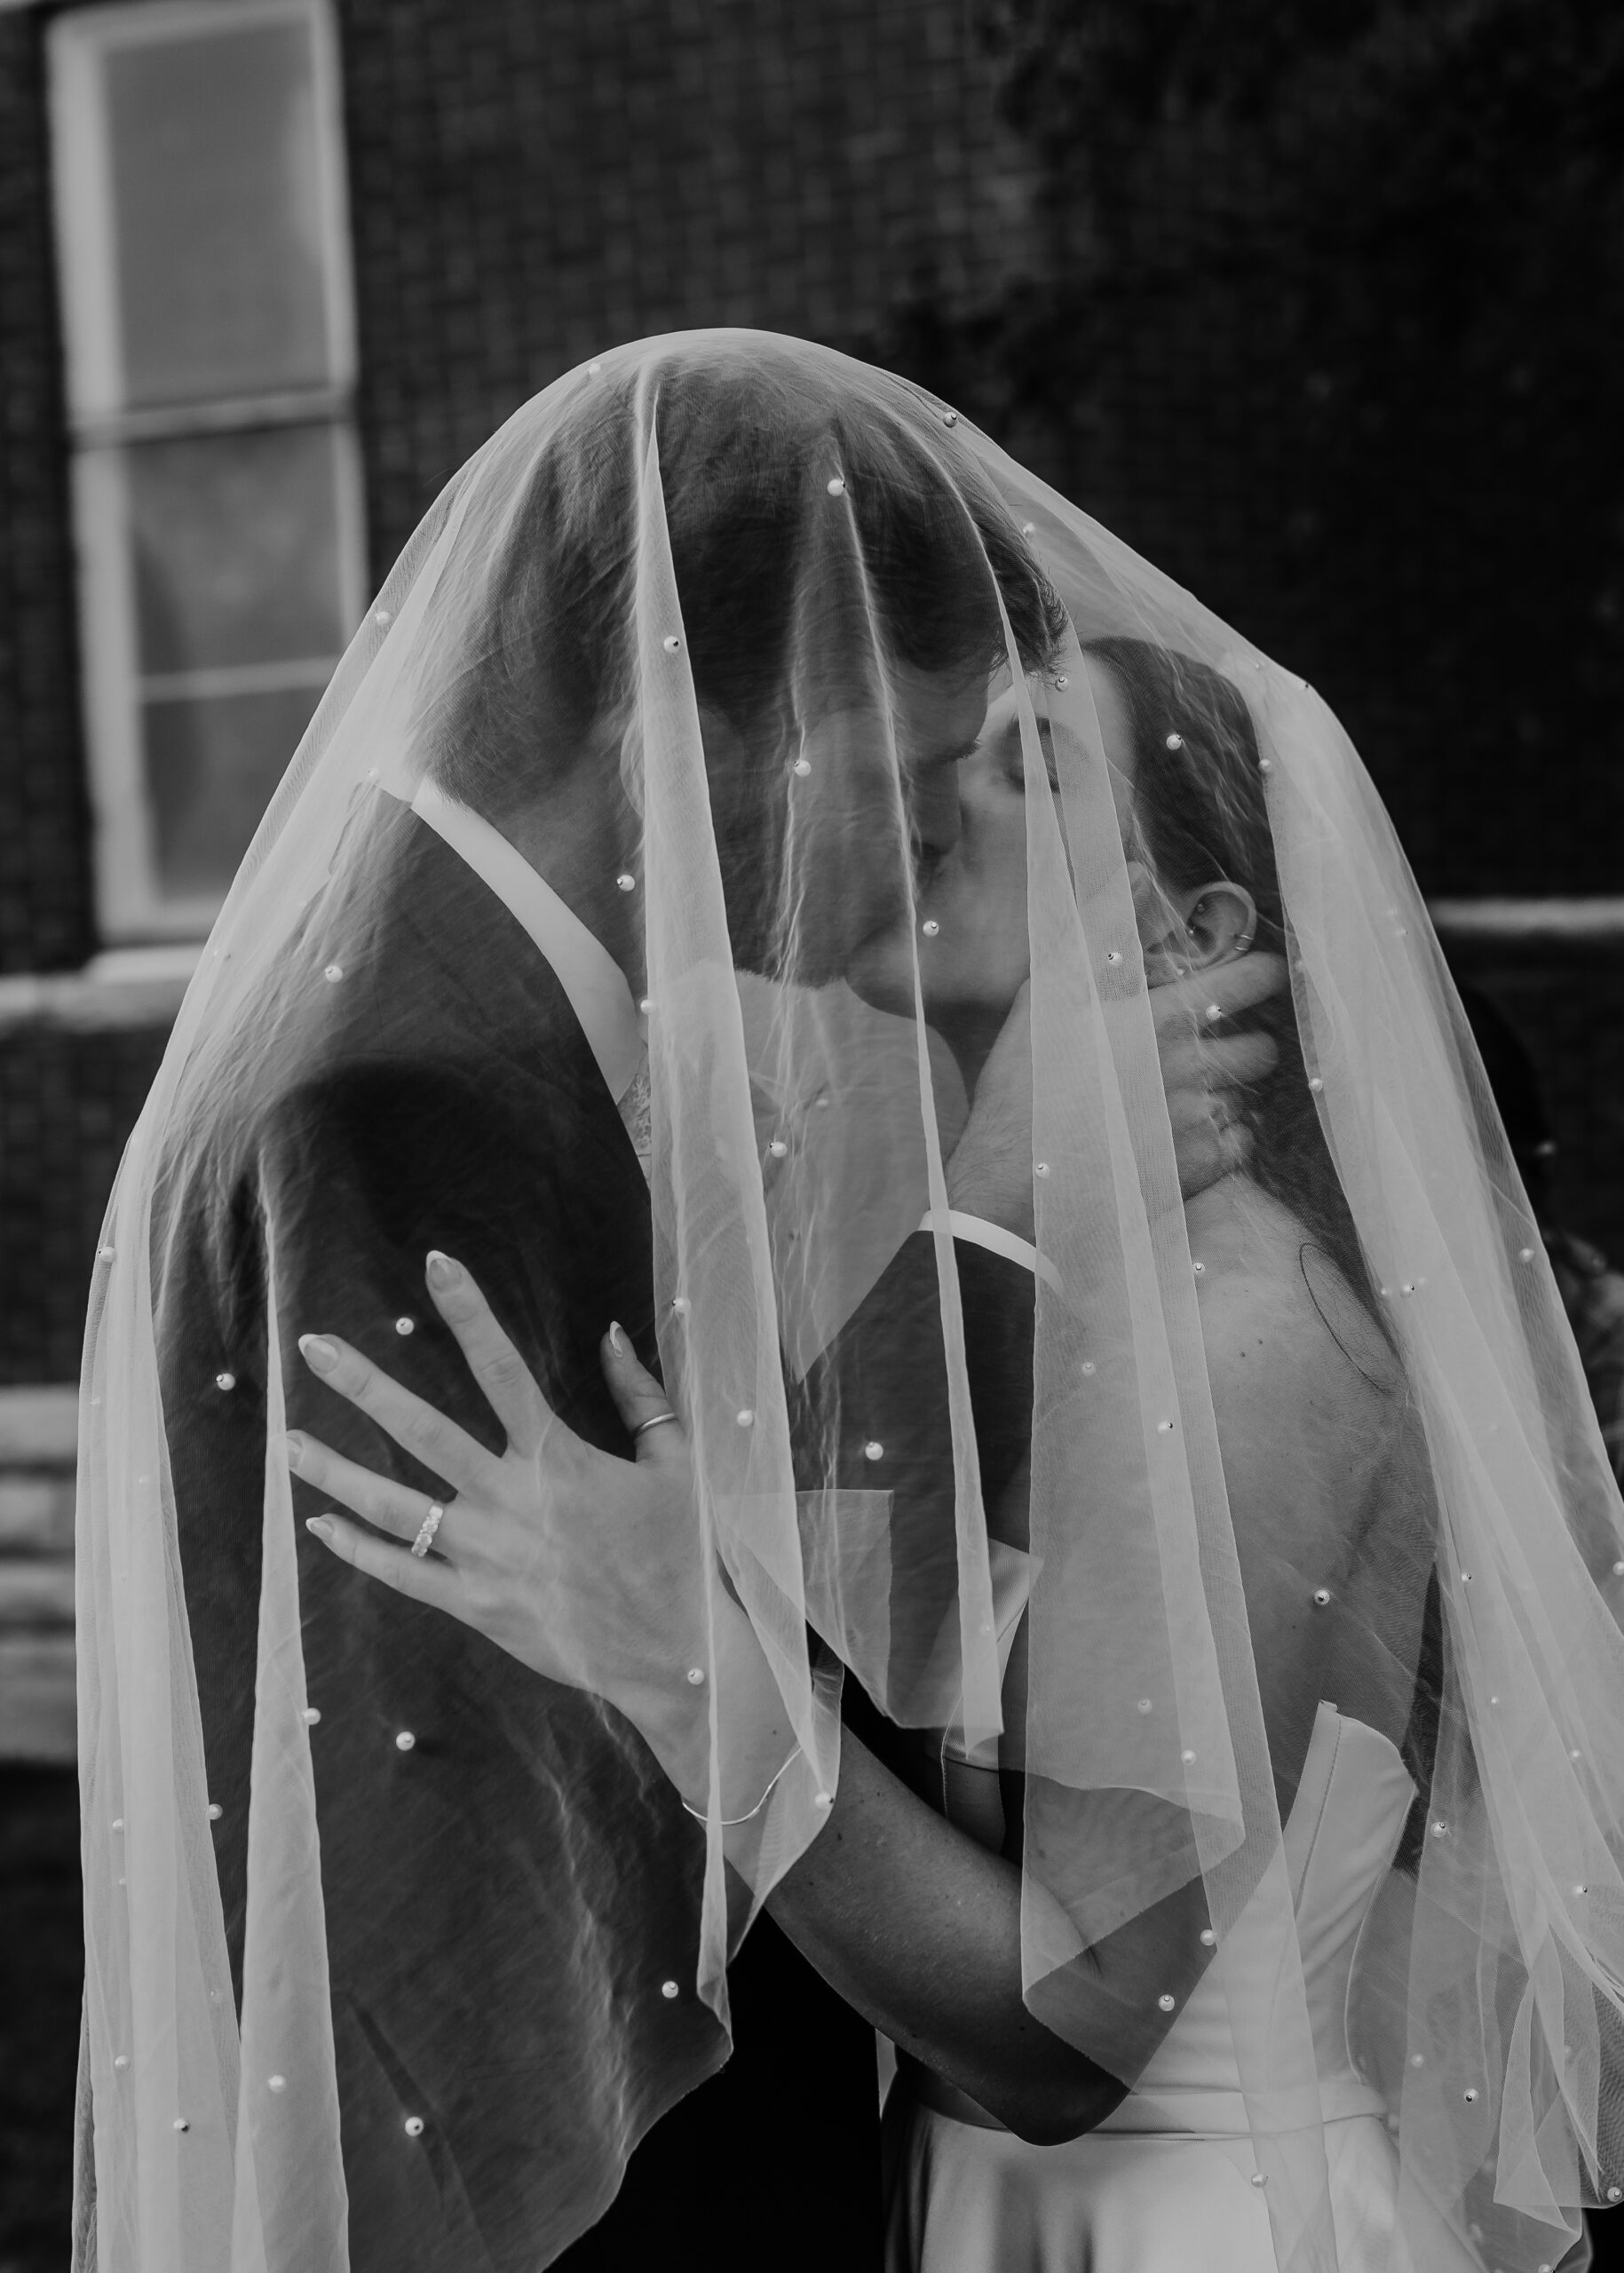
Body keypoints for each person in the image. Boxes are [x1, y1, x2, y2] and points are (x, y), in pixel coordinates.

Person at [77, 335, 1624, 2273]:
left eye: (1022, 770)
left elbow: (1057, 2006)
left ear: (1198, 936)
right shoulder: (449, 1109)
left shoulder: (1236, 1339)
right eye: (931, 759)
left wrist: (691, 1663)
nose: (927, 819)